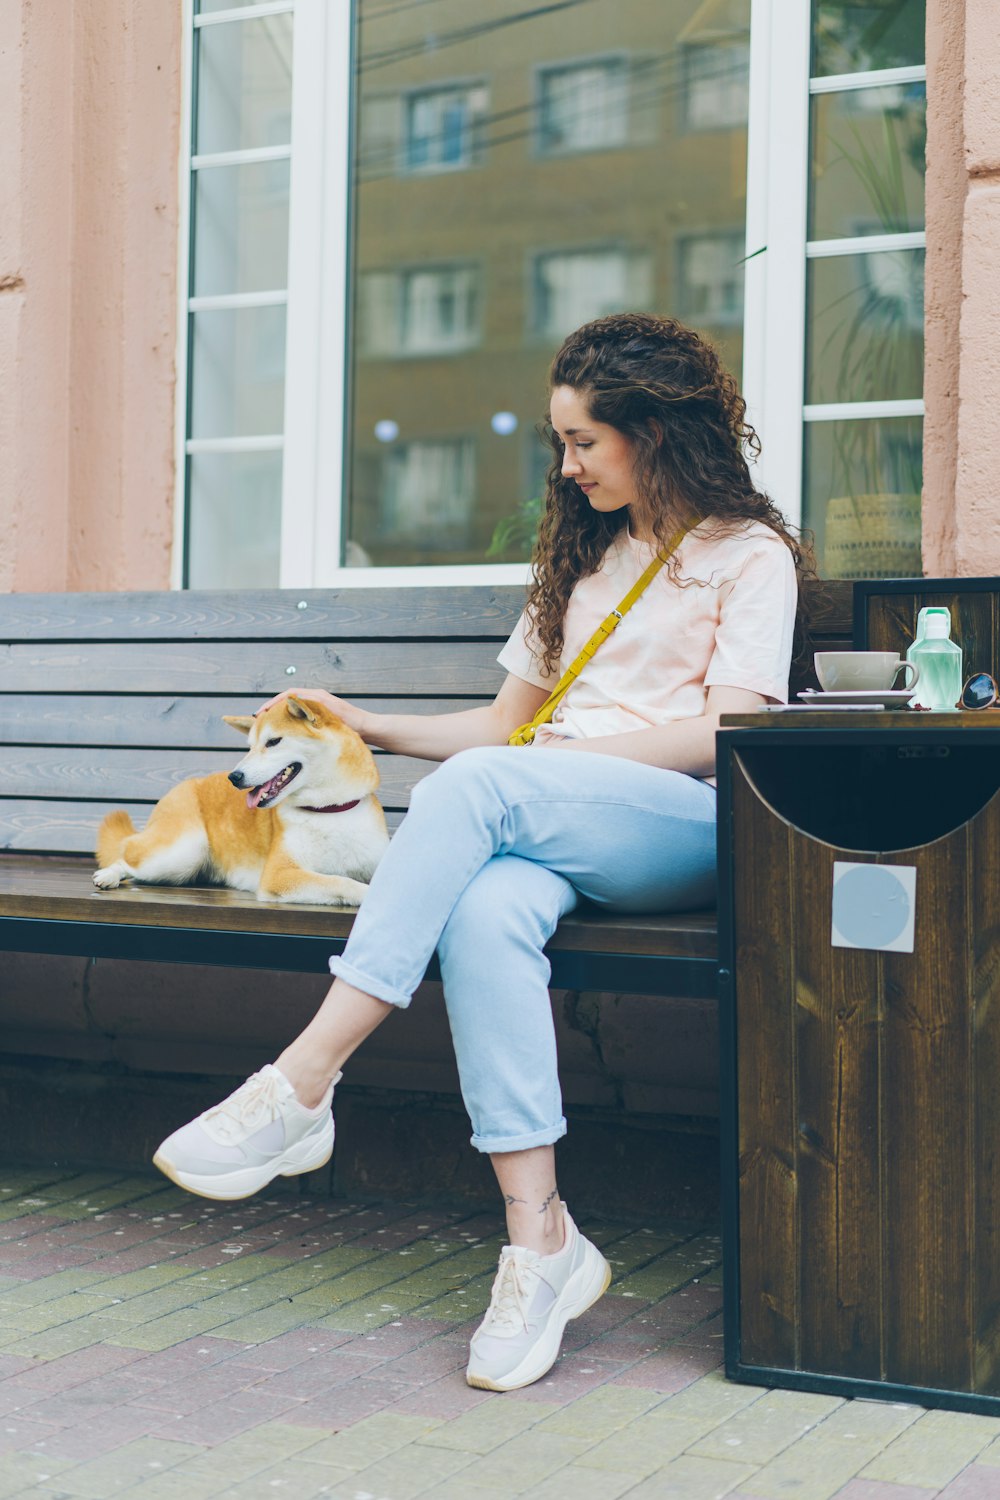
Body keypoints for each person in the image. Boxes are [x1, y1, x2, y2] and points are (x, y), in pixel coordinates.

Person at [153, 312, 808, 1393]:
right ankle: (540, 1242)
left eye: (584, 442)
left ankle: (303, 1081)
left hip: (678, 824)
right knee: (483, 915)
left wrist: (557, 766)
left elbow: (725, 729)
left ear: (653, 432)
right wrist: (365, 722)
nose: (567, 465)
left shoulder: (747, 558)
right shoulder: (584, 558)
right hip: (546, 811)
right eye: (560, 443)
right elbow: (500, 732)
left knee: (484, 792)